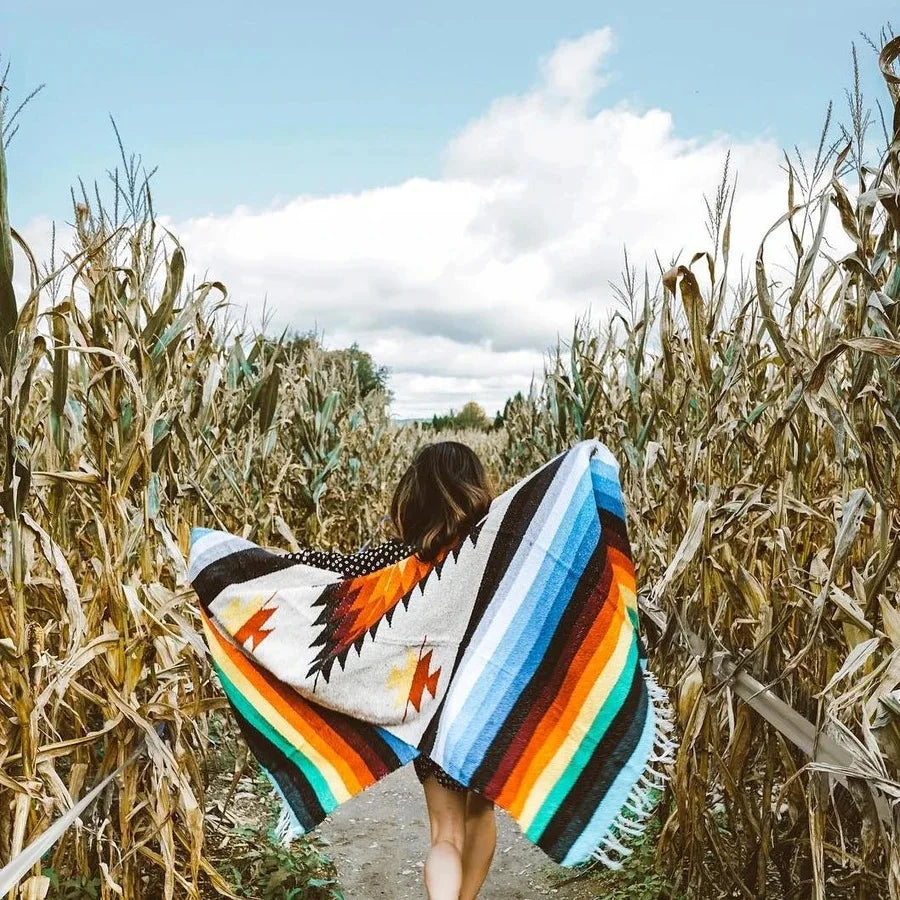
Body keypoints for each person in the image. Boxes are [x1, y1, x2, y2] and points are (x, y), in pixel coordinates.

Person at [285, 441, 498, 900]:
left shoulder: (395, 561)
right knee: (481, 815)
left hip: (432, 713)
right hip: (488, 707)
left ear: (415, 496)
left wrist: (253, 565)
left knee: (445, 835)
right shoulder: (499, 550)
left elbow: (328, 572)